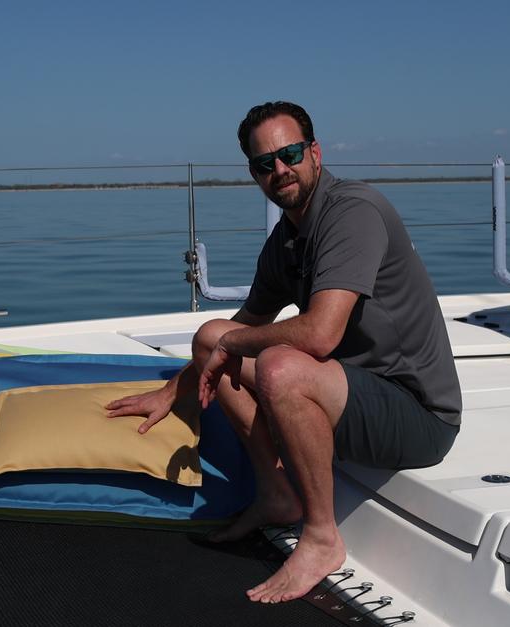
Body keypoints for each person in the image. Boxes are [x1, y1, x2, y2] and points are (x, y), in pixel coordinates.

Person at [106, 101, 462, 604]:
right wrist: (174, 390)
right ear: (253, 174)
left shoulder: (353, 212)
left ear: (315, 153)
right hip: (351, 394)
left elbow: (319, 336)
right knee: (210, 335)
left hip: (417, 416)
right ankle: (276, 495)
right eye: (264, 163)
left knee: (280, 365)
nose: (280, 169)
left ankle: (321, 537)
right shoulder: (287, 240)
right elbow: (239, 327)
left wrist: (232, 344)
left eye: (290, 154)